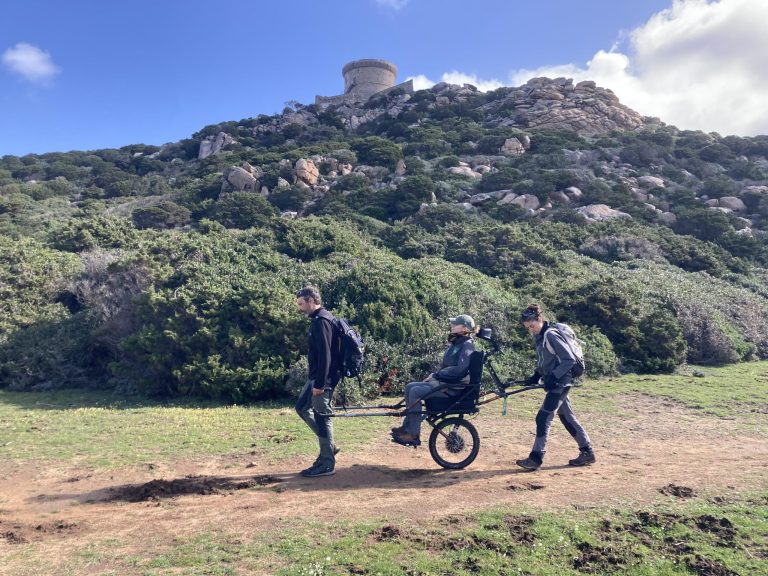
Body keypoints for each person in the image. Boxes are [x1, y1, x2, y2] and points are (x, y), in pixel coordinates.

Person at [516, 304, 595, 470]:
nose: (530, 330)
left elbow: (569, 359)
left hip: (561, 383)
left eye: (532, 326)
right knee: (567, 418)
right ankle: (587, 452)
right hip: (557, 381)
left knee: (543, 418)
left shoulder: (551, 335)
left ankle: (536, 458)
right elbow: (546, 361)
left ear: (540, 319)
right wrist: (536, 375)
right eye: (528, 327)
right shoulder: (541, 336)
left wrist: (554, 376)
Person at [391, 314, 477, 446]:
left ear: (465, 328)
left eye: (455, 324)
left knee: (415, 391)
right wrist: (436, 375)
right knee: (409, 386)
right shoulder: (457, 343)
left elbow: (460, 370)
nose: (452, 326)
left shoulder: (467, 345)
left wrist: (437, 375)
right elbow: (448, 367)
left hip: (452, 388)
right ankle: (407, 427)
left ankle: (413, 434)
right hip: (445, 383)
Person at [294, 286, 341, 477]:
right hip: (315, 377)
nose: (299, 308)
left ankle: (327, 463)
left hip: (323, 379)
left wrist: (320, 384)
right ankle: (330, 446)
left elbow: (325, 355)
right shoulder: (317, 319)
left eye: (301, 304)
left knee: (322, 417)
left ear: (311, 301)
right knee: (301, 408)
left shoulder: (322, 321)